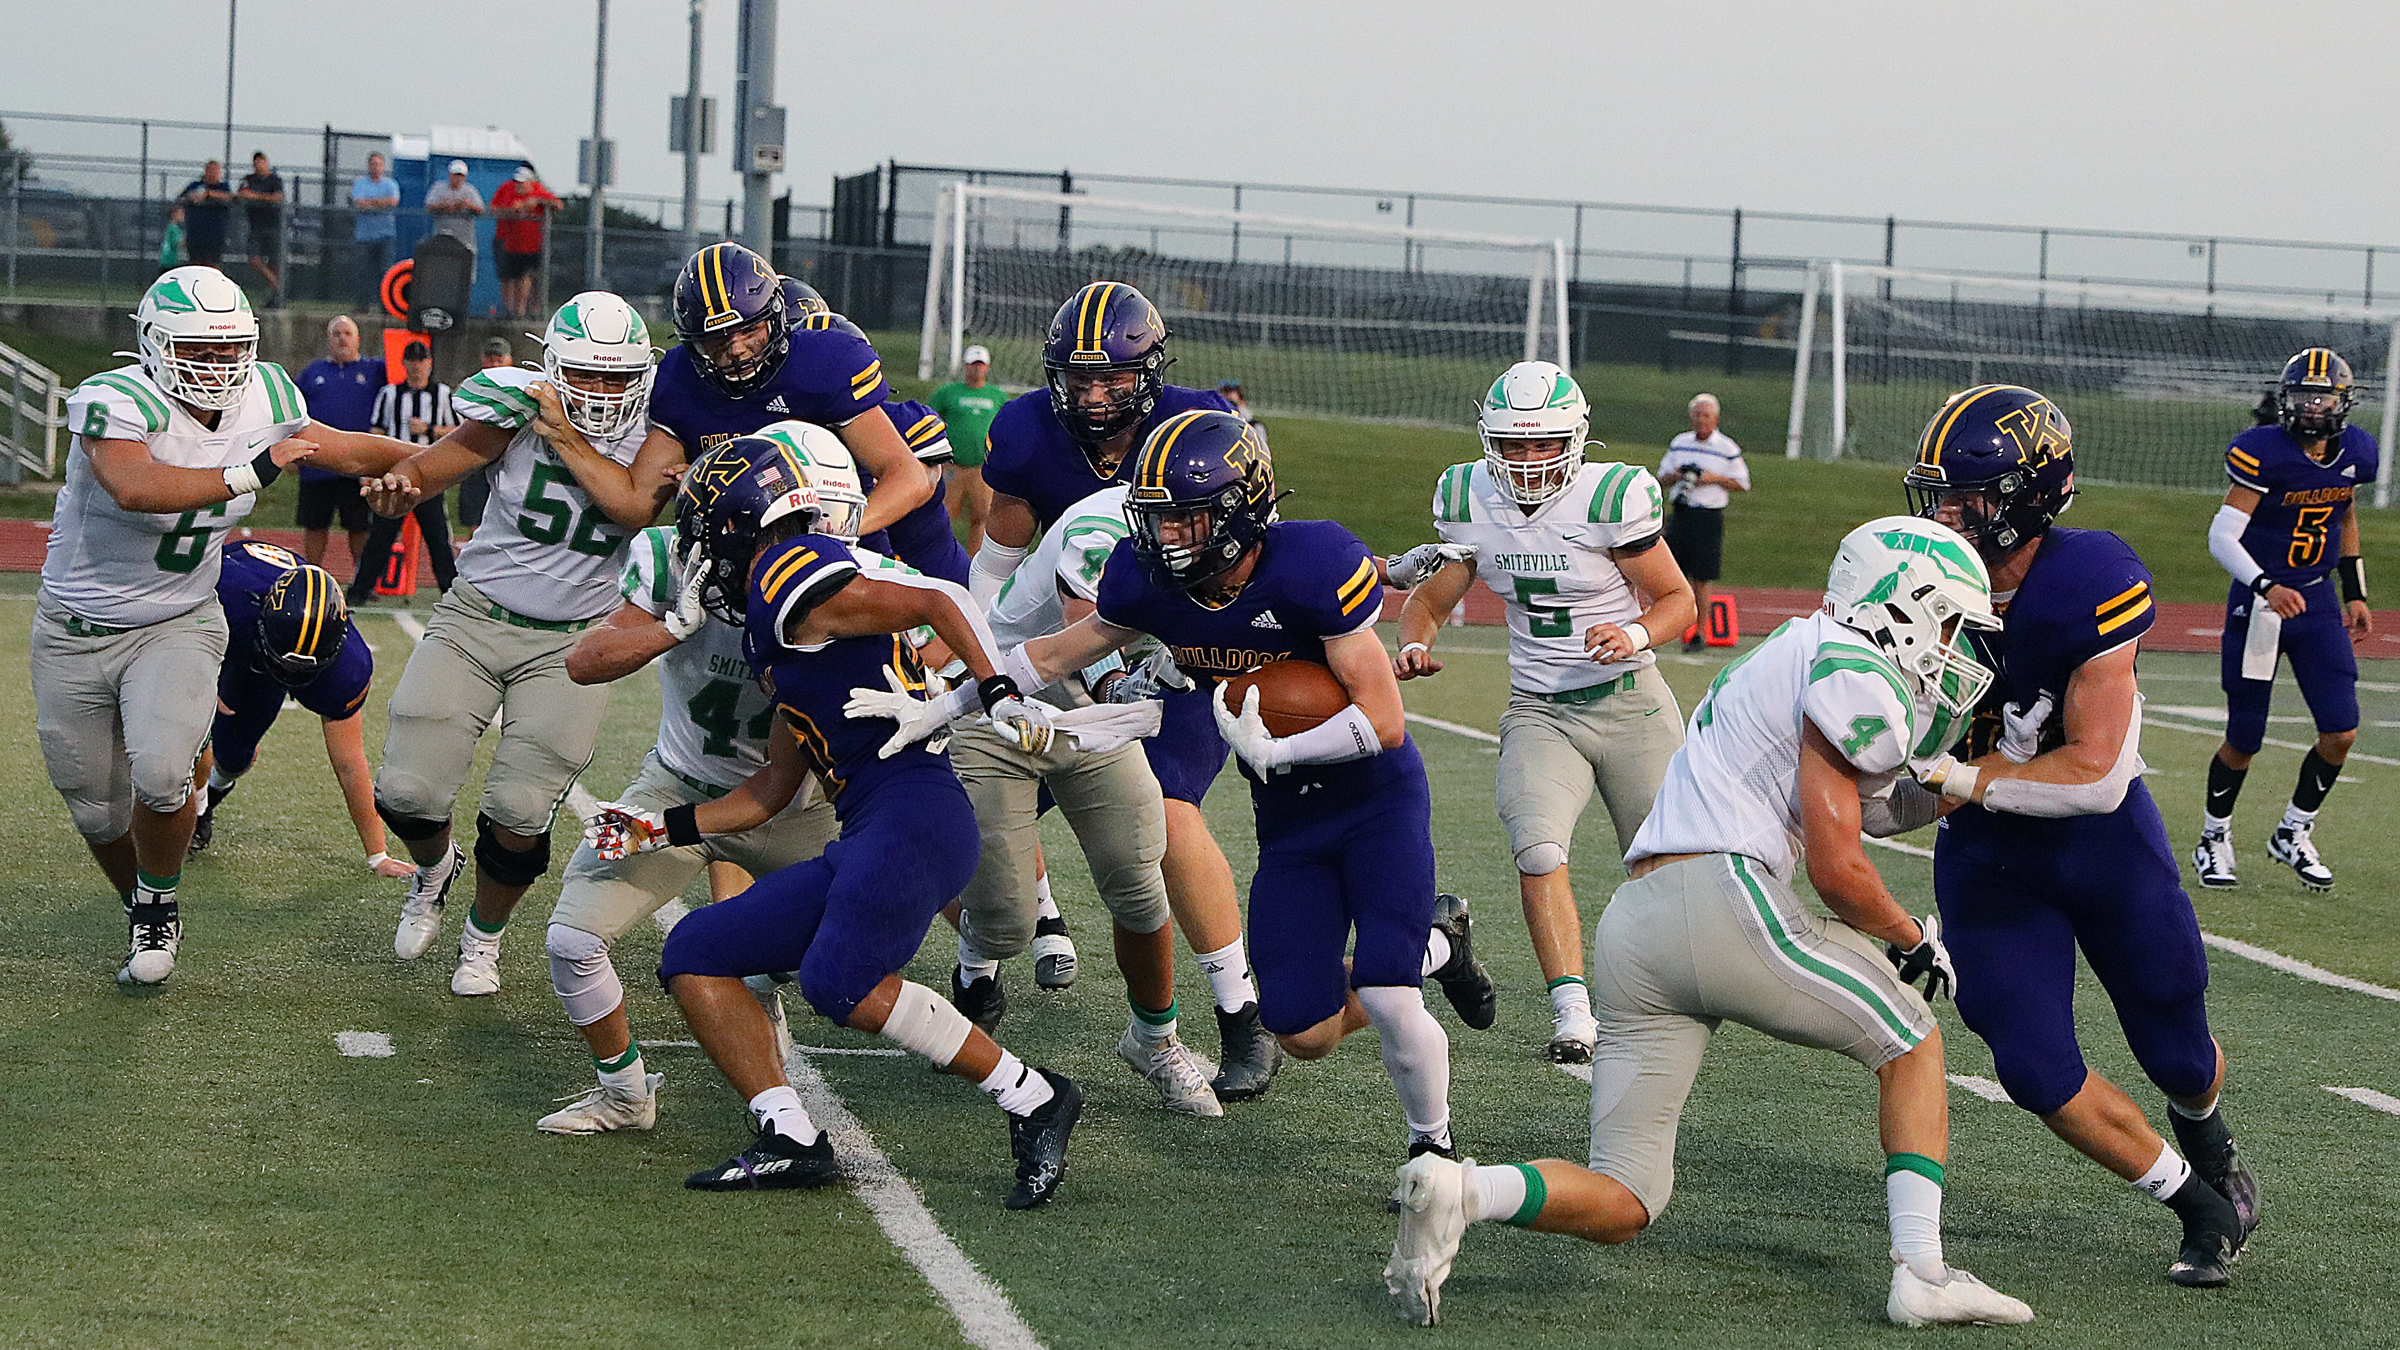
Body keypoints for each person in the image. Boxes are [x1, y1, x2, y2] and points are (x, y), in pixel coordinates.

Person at [1382, 516, 2032, 1331]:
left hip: (1640, 924)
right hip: (1722, 897)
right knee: (1912, 1041)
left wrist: (1965, 782)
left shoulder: (1800, 647)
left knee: (1626, 1197)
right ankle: (1924, 1272)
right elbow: (1837, 869)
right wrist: (1911, 938)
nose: (1952, 647)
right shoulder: (1853, 666)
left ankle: (1461, 1190)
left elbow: (1867, 807)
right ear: (1900, 606)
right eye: (1946, 624)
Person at [584, 429, 1082, 1206]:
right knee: (696, 951)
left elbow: (943, 597)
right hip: (874, 826)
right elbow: (770, 791)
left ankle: (1035, 1097)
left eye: (706, 534)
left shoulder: (787, 571)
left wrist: (993, 687)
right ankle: (787, 1133)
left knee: (837, 982)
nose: (698, 553)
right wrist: (659, 828)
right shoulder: (776, 621)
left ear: (743, 527)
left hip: (914, 815)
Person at [1010, 409, 1496, 1157]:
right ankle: (1439, 945)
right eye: (1159, 519)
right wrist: (953, 695)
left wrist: (1279, 750)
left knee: (1389, 993)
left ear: (1238, 511)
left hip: (1376, 801)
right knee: (1302, 1032)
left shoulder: (1313, 561)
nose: (1168, 536)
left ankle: (1432, 1152)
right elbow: (1051, 654)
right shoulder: (1150, 581)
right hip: (1289, 823)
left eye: (1187, 518)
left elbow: (1386, 721)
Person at [1903, 384, 2258, 1287]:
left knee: (2178, 1044)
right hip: (1988, 858)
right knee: (2030, 1063)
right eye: (1937, 497)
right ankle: (2197, 1203)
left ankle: (2206, 1135)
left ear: (2027, 496)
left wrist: (1954, 777)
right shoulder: (1908, 574)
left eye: (1966, 500)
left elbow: (2095, 772)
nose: (1943, 517)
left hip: (2100, 841)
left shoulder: (2088, 577)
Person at [38, 266, 411, 985]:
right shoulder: (114, 397)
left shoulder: (265, 394)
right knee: (94, 809)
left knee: (163, 775)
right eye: (197, 350)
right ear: (154, 344)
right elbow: (136, 486)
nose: (216, 365)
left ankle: (157, 907)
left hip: (178, 618)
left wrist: (436, 466)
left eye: (229, 349)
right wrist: (251, 472)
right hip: (74, 627)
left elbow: (346, 448)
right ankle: (139, 901)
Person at [970, 283, 1282, 1094]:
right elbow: (996, 569)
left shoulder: (1203, 426)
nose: (1095, 395)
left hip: (1174, 645)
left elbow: (1252, 544)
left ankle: (1238, 1011)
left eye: (1113, 377)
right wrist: (977, 652)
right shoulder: (1029, 434)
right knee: (978, 815)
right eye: (1080, 378)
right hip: (1061, 649)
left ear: (1150, 373)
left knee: (1168, 812)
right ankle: (978, 960)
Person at [538, 427, 868, 1135]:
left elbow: (932, 624)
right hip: (680, 787)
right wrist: (670, 629)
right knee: (572, 940)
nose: (776, 551)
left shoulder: (843, 575)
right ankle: (625, 1094)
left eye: (795, 530)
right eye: (758, 534)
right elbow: (584, 661)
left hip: (801, 808)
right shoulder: (670, 561)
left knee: (854, 952)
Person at [362, 292, 672, 998]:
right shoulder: (515, 407)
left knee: (522, 810)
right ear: (553, 367)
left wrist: (567, 435)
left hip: (574, 641)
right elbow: (432, 466)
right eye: (585, 373)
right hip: (476, 615)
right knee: (405, 792)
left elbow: (633, 507)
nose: (601, 390)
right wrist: (401, 488)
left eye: (616, 376)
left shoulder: (662, 435)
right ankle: (434, 871)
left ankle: (483, 936)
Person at [1396, 361, 1695, 1064]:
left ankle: (1655, 997)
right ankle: (1573, 1012)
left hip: (1630, 702)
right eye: (1513, 444)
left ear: (1575, 439)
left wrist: (1633, 634)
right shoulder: (1470, 496)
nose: (1528, 459)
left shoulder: (1610, 498)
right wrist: (1413, 643)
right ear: (1489, 441)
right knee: (1537, 849)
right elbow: (1429, 600)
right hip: (1540, 707)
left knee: (1664, 870)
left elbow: (1678, 600)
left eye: (1543, 443)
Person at [965, 479, 1222, 1115]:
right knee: (1005, 922)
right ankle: (974, 961)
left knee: (1138, 880)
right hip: (1003, 703)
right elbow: (1084, 638)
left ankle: (1155, 1039)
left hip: (1092, 719)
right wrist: (1123, 690)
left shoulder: (1225, 536)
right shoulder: (1103, 528)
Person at [2193, 347, 2378, 891]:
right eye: (2302, 397)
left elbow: (2344, 514)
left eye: (2322, 398)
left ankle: (2293, 830)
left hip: (2316, 602)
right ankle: (2213, 837)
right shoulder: (2264, 453)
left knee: (2341, 730)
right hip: (2261, 606)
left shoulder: (2355, 452)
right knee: (2245, 736)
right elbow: (2222, 536)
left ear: (2343, 402)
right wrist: (2267, 586)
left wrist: (2355, 591)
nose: (2311, 407)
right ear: (2285, 400)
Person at [619, 243, 931, 546]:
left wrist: (838, 531)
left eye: (749, 330)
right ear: (692, 342)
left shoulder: (824, 365)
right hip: (734, 560)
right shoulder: (681, 379)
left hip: (840, 553)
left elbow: (909, 478)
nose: (737, 349)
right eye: (717, 338)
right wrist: (702, 486)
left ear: (776, 316)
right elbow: (636, 504)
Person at [186, 540, 418, 888]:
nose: (290, 676)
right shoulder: (227, 595)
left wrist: (378, 854)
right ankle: (196, 807)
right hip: (239, 628)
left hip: (264, 639)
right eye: (285, 666)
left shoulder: (348, 667)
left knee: (234, 758)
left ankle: (209, 798)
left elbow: (349, 763)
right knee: (198, 737)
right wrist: (200, 675)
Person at [349, 340, 460, 601]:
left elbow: (457, 431)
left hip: (428, 477)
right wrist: (370, 468)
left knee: (438, 539)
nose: (416, 366)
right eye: (412, 360)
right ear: (404, 364)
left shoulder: (442, 394)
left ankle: (451, 593)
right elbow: (377, 432)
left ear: (429, 364)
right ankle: (359, 592)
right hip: (395, 477)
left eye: (421, 361)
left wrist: (429, 430)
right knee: (381, 537)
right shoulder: (389, 394)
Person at [1656, 392, 1749, 650]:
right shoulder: (1680, 442)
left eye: (1706, 415)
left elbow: (1743, 483)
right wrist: (1679, 475)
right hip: (1682, 512)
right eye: (1697, 415)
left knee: (1702, 577)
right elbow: (1661, 476)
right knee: (1670, 575)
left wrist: (1712, 478)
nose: (1701, 420)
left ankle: (1700, 632)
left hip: (1708, 516)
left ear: (1715, 418)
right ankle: (1666, 629)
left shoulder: (1726, 448)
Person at [295, 316, 382, 568]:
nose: (342, 339)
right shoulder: (313, 372)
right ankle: (312, 573)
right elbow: (294, 410)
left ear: (358, 339)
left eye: (347, 333)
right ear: (328, 340)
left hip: (358, 463)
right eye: (336, 334)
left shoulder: (375, 370)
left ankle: (361, 578)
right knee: (315, 524)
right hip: (317, 462)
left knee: (359, 526)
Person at [928, 344, 1006, 553]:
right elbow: (931, 419)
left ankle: (974, 558)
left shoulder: (996, 396)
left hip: (982, 468)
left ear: (987, 367)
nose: (977, 369)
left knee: (983, 516)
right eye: (973, 364)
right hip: (953, 466)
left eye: (980, 365)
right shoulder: (948, 393)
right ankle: (942, 554)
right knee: (944, 515)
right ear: (965, 366)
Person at [456, 338, 512, 539]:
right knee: (475, 521)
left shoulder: (519, 388)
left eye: (499, 359)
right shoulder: (471, 387)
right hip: (478, 460)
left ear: (509, 360)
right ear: (482, 360)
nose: (494, 364)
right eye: (490, 359)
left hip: (508, 463)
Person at [491, 163, 560, 320]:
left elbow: (557, 204)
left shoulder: (538, 190)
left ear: (530, 182)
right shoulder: (506, 188)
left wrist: (537, 202)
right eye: (517, 182)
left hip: (531, 244)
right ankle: (509, 312)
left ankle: (523, 312)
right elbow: (494, 209)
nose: (519, 186)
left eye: (522, 182)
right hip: (507, 241)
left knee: (527, 277)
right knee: (507, 277)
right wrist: (512, 212)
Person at [350, 152, 401, 312]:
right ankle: (362, 306)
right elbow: (358, 202)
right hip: (364, 237)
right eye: (372, 164)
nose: (375, 167)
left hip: (386, 236)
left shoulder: (391, 184)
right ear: (368, 165)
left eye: (378, 164)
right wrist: (380, 203)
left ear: (383, 166)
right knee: (362, 272)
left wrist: (370, 203)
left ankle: (386, 308)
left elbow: (392, 201)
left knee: (386, 272)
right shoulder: (360, 184)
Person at [235, 151, 284, 308]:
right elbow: (241, 193)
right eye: (256, 163)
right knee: (254, 260)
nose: (258, 166)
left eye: (261, 162)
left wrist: (256, 196)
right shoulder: (249, 179)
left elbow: (278, 197)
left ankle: (276, 297)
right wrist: (245, 195)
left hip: (273, 226)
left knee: (275, 262)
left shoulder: (275, 180)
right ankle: (276, 284)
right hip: (255, 226)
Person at [176, 162, 233, 268]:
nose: (213, 174)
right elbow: (181, 198)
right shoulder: (195, 186)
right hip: (195, 234)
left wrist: (209, 194)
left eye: (216, 172)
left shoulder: (223, 187)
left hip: (215, 234)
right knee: (195, 263)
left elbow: (229, 197)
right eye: (210, 171)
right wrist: (191, 197)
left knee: (213, 264)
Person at [425, 160, 484, 260]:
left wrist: (467, 205)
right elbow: (429, 205)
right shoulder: (438, 188)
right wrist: (444, 205)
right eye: (455, 175)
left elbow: (481, 209)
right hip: (442, 238)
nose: (458, 178)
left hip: (465, 241)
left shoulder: (470, 191)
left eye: (461, 176)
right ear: (449, 175)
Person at [156, 204, 186, 275]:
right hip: (169, 261)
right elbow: (176, 243)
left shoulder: (172, 228)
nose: (183, 216)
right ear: (174, 215)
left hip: (170, 260)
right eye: (180, 213)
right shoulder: (173, 229)